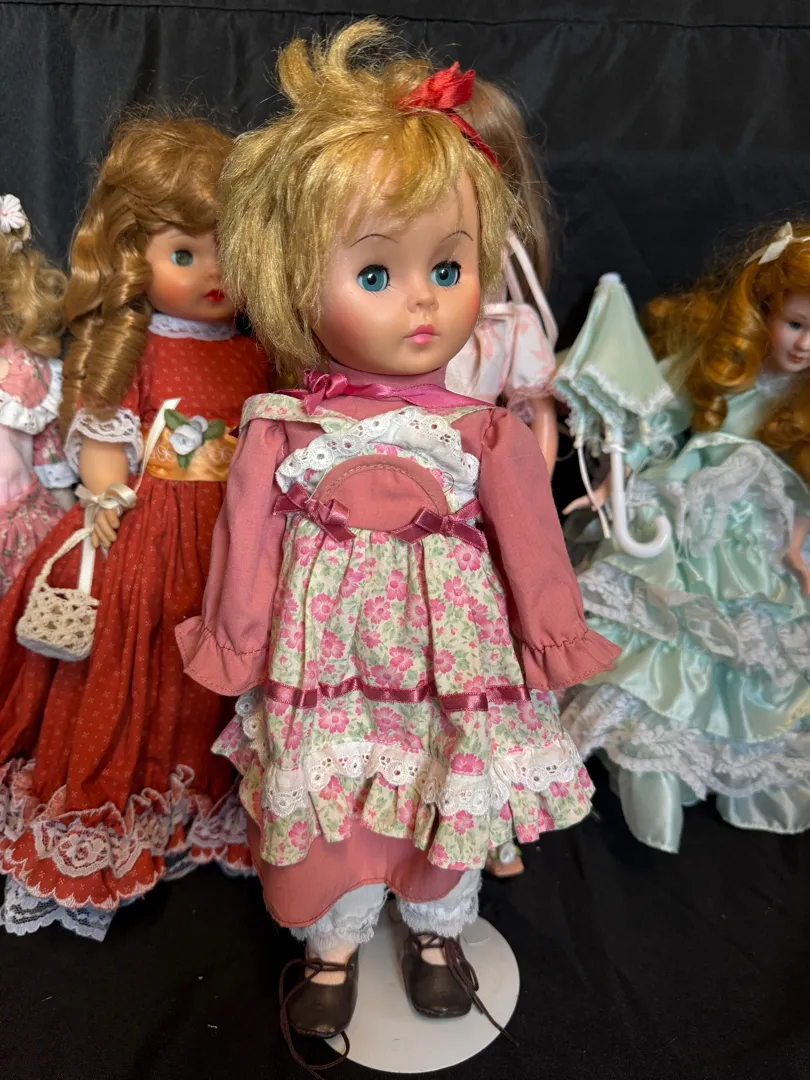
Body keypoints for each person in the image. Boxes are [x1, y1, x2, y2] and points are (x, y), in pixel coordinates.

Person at [177, 20, 617, 1059]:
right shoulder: (284, 429)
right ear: (294, 278)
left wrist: (551, 639)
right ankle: (331, 948)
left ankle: (437, 931)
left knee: (440, 786)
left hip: (447, 662)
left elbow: (533, 546)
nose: (422, 299)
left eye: (448, 266)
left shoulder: (482, 431)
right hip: (324, 660)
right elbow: (245, 547)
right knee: (332, 803)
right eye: (376, 275)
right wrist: (235, 644)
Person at [0, 117, 272, 939]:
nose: (213, 273)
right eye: (185, 254)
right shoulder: (139, 345)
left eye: (229, 251)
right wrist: (105, 495)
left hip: (234, 541)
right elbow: (104, 434)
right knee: (139, 662)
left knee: (209, 680)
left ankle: (197, 804)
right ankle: (119, 812)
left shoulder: (256, 353)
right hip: (149, 532)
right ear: (132, 256)